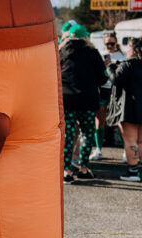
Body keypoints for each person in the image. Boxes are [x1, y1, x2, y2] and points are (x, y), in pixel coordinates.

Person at [59, 24, 108, 182]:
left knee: (68, 135)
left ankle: (66, 172)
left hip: (66, 100)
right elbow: (103, 78)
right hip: (87, 100)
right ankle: (83, 168)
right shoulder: (92, 52)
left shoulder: (60, 52)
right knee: (87, 133)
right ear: (84, 37)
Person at [108, 37, 142, 182]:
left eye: (128, 47)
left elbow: (115, 79)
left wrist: (110, 67)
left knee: (131, 141)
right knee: (140, 141)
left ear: (134, 50)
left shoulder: (127, 65)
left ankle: (133, 171)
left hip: (130, 108)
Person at [90, 31, 127, 161]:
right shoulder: (100, 54)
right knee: (100, 119)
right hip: (103, 89)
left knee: (120, 121)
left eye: (112, 43)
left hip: (118, 90)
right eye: (107, 44)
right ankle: (98, 149)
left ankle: (126, 152)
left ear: (116, 42)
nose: (110, 46)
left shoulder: (123, 55)